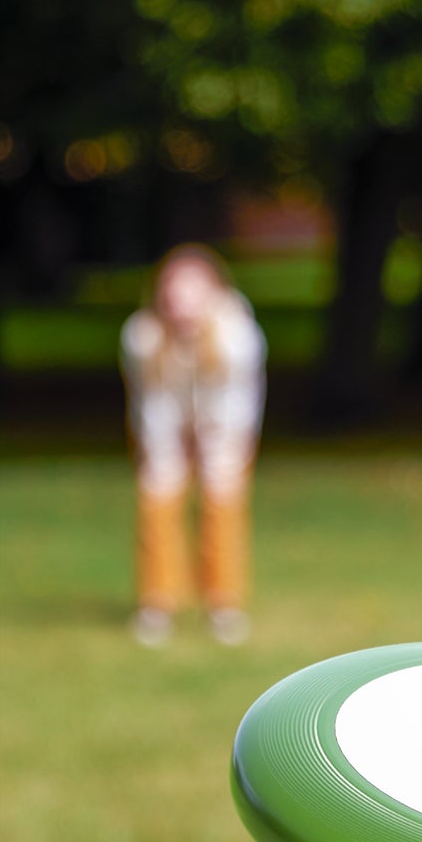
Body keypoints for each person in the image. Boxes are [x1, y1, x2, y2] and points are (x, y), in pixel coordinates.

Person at [120, 244, 267, 647]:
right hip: (164, 428)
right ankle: (157, 603)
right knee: (157, 500)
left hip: (224, 429)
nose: (181, 304)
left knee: (222, 504)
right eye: (174, 293)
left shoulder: (237, 335)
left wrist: (214, 447)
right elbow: (151, 403)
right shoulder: (142, 336)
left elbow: (238, 403)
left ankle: (224, 604)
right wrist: (167, 452)